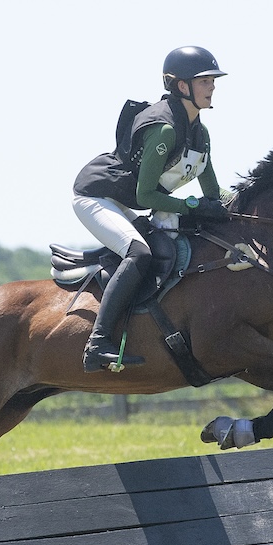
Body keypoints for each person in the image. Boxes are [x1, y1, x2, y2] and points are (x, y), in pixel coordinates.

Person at [72, 46, 231, 373]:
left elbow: (213, 192)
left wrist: (242, 202)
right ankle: (97, 343)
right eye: (205, 81)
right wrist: (191, 206)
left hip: (126, 200)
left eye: (213, 80)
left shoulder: (200, 134)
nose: (212, 86)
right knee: (139, 253)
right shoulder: (165, 129)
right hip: (95, 196)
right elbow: (146, 196)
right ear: (182, 86)